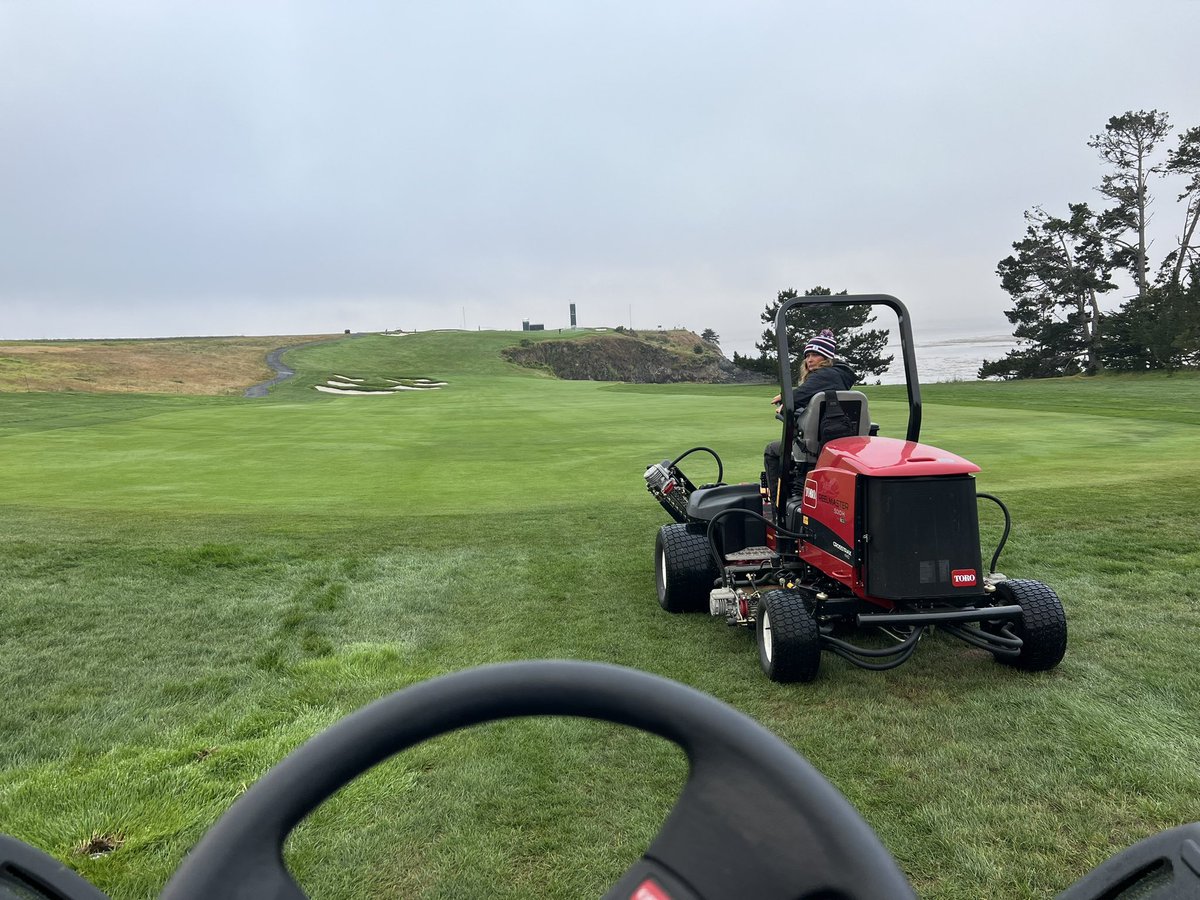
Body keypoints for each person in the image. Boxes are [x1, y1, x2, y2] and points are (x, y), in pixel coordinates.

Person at [763, 328, 858, 502]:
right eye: (807, 356)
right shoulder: (841, 377)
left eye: (815, 354)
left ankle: (779, 508)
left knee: (772, 450)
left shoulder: (825, 374)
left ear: (827, 357)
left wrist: (784, 405)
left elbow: (798, 397)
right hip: (840, 443)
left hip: (817, 447)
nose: (809, 360)